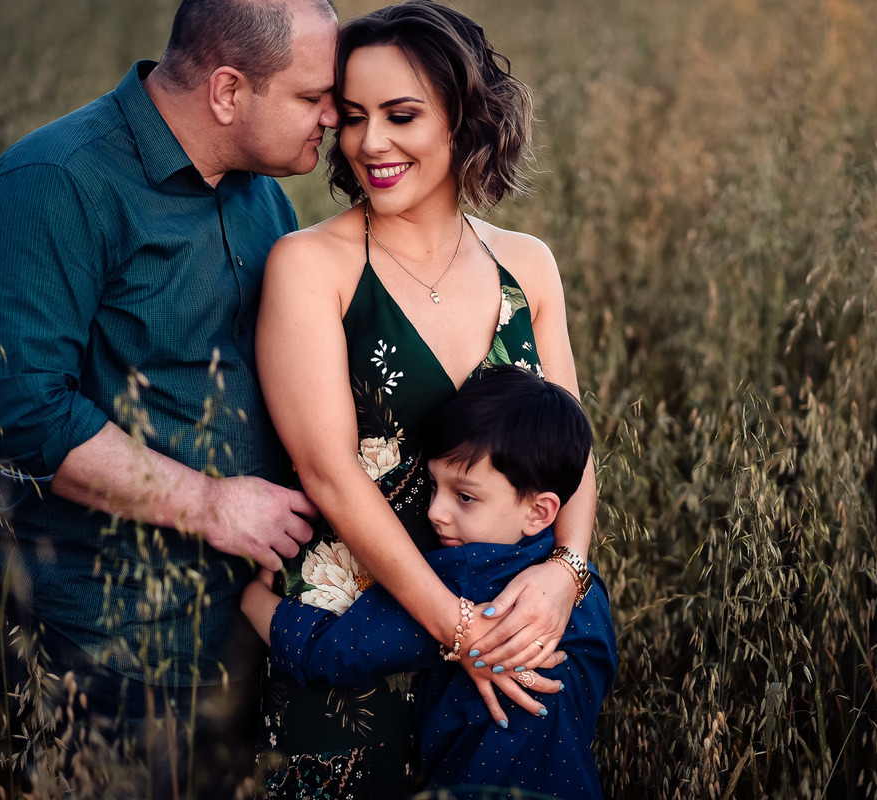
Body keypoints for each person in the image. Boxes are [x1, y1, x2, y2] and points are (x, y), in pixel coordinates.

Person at [0, 0, 338, 793]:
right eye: (313, 96)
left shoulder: (260, 192)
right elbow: (28, 419)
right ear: (227, 92)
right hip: (99, 642)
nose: (334, 117)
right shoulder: (51, 184)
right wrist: (212, 504)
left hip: (243, 625)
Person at [253, 1, 598, 795]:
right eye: (353, 117)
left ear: (462, 119)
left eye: (401, 115)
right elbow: (328, 471)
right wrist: (458, 629)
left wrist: (566, 574)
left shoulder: (527, 267)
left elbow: (571, 448)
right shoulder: (311, 266)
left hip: (508, 649)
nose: (371, 142)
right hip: (353, 646)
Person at [242, 366, 617, 799]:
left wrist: (253, 599)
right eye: (433, 485)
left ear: (539, 511)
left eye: (465, 496)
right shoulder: (586, 592)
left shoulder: (468, 579)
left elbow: (331, 652)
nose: (436, 511)